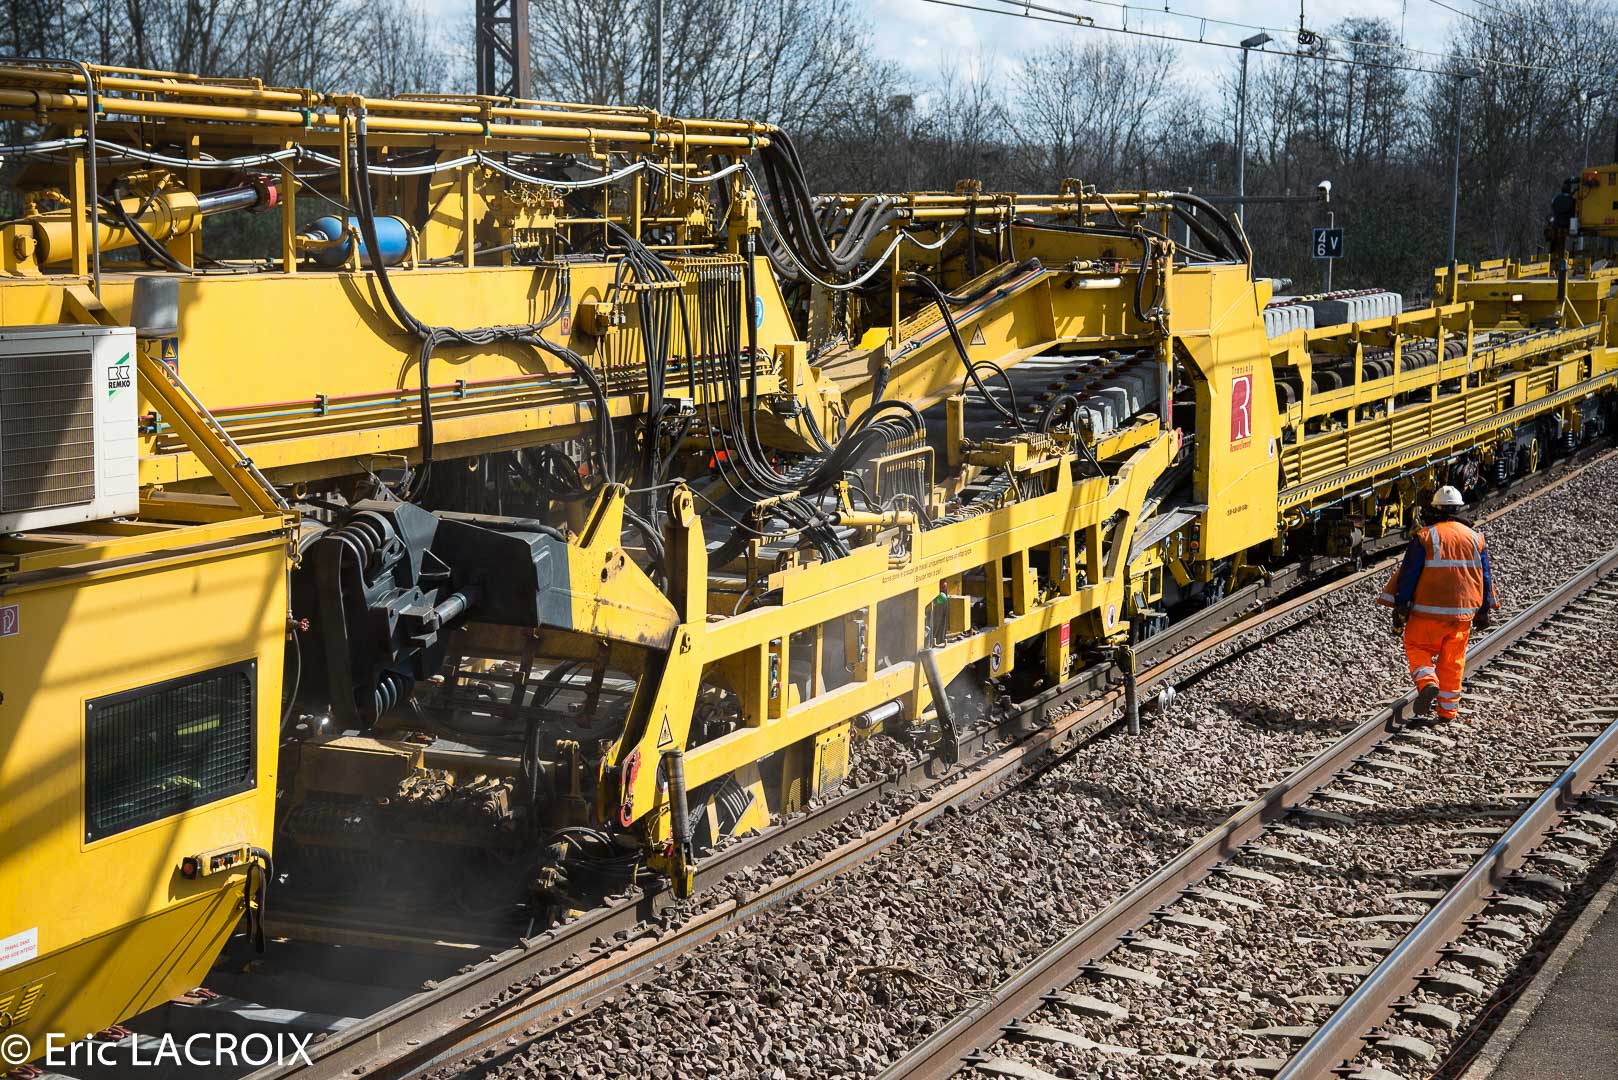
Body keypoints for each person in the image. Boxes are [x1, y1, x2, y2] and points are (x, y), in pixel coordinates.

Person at [1375, 485, 1500, 722]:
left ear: (1434, 509)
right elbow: (1484, 576)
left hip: (1426, 613)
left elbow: (1409, 574)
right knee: (1453, 662)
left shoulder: (1426, 536)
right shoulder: (1475, 538)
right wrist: (1484, 610)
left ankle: (1427, 682)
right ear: (1460, 508)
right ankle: (1447, 711)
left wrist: (1401, 605)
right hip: (1461, 615)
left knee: (1416, 647)